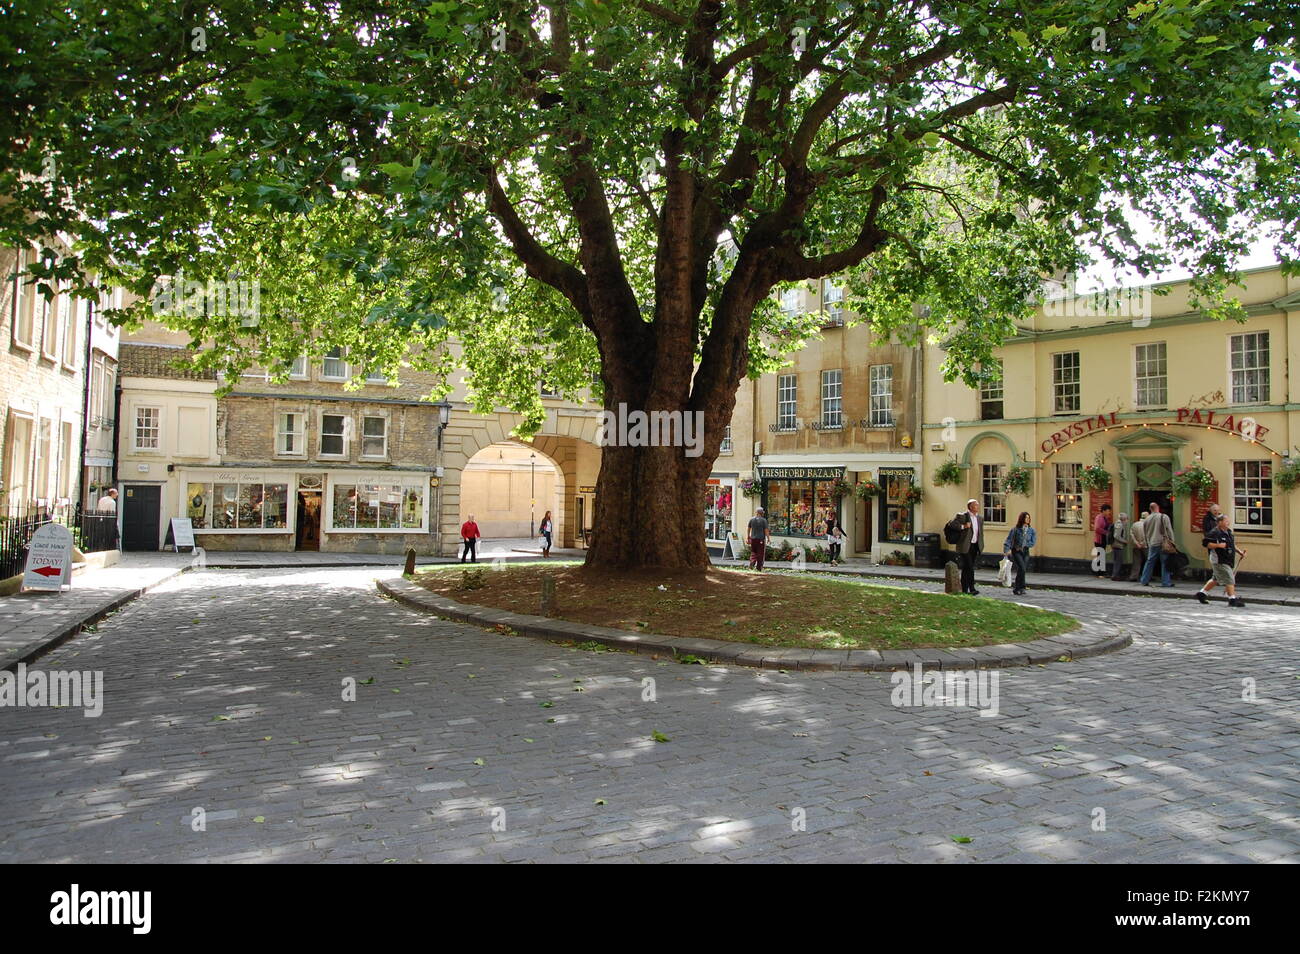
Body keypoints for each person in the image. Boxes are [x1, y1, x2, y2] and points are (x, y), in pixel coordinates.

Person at [1197, 512, 1247, 607]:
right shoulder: (1214, 533)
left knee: (1215, 579)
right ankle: (1232, 599)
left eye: (1228, 521)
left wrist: (1239, 552)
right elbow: (1206, 544)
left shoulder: (1228, 532)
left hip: (1227, 559)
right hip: (1219, 560)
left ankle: (1202, 594)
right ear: (1219, 522)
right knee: (1229, 578)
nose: (1228, 522)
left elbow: (1231, 544)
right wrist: (1218, 545)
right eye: (1226, 521)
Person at [1139, 502, 1175, 587]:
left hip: (1152, 543)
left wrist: (1147, 542)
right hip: (1163, 543)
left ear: (1150, 509)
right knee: (1165, 562)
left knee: (1149, 562)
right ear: (1158, 507)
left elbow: (1145, 532)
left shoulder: (1147, 519)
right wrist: (1172, 541)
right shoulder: (1164, 516)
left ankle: (1144, 580)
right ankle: (1166, 582)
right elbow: (1169, 530)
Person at [1002, 511, 1036, 596]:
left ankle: (1021, 587)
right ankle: (1018, 588)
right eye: (1026, 517)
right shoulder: (1015, 529)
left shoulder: (1031, 530)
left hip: (1025, 551)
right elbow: (1009, 540)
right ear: (1022, 519)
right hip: (1016, 551)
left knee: (1022, 569)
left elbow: (1033, 542)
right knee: (1022, 568)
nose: (1028, 519)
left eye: (1029, 518)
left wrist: (1025, 545)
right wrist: (1006, 550)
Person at [953, 499, 983, 595]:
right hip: (965, 546)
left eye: (978, 505)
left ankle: (965, 589)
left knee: (967, 568)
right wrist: (964, 526)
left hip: (975, 545)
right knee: (969, 567)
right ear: (970, 506)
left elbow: (980, 533)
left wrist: (981, 544)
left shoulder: (979, 518)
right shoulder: (963, 516)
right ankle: (972, 588)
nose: (977, 507)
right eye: (975, 505)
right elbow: (953, 524)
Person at [1092, 504, 1113, 578]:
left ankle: (1102, 572)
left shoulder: (1104, 518)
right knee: (1100, 556)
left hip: (1103, 539)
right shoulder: (1099, 518)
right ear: (1103, 510)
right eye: (1108, 511)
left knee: (1102, 556)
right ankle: (1099, 573)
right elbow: (1097, 528)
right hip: (1099, 540)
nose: (1109, 512)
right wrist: (1106, 532)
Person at [747, 507, 770, 571]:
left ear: (756, 512)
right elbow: (766, 530)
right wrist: (768, 538)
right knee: (760, 554)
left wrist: (748, 537)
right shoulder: (764, 520)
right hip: (761, 539)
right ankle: (759, 568)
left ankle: (751, 565)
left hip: (753, 539)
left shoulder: (751, 519)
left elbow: (748, 528)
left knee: (753, 552)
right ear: (762, 513)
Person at [1128, 509, 1148, 582]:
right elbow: (1146, 535)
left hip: (1136, 546)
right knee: (1148, 561)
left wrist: (1136, 543)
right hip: (1145, 546)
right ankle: (1146, 576)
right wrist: (1142, 543)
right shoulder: (1147, 525)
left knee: (1136, 561)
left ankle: (1133, 576)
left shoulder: (1135, 524)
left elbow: (1131, 534)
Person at [1110, 512, 1130, 581]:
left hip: (1116, 545)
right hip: (1117, 545)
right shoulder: (1120, 525)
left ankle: (1115, 575)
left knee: (1116, 561)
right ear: (1124, 519)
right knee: (1118, 561)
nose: (1127, 521)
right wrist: (1124, 541)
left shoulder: (1118, 524)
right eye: (1127, 519)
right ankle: (1115, 576)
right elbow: (1116, 536)